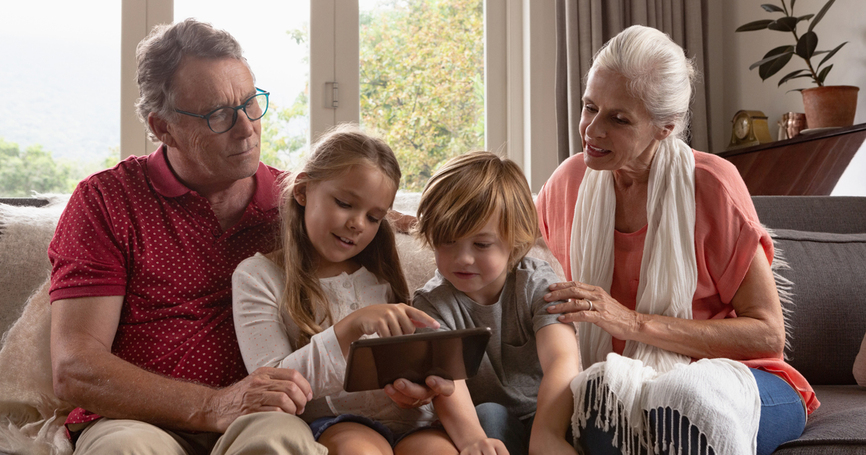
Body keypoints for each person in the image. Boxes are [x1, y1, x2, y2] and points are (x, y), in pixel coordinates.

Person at [536, 25, 819, 455]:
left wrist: (630, 322)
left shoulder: (711, 185)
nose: (591, 130)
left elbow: (767, 335)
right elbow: (505, 251)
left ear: (665, 127)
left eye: (618, 118)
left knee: (676, 408)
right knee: (600, 411)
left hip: (737, 378)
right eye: (589, 107)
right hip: (618, 382)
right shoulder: (568, 182)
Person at [48, 19, 327, 454]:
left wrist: (398, 218)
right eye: (219, 114)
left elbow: (362, 219)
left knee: (280, 441)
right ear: (163, 128)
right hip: (133, 422)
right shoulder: (106, 200)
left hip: (259, 418)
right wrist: (211, 405)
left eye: (252, 103)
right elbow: (75, 366)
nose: (247, 128)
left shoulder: (298, 203)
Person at [232, 125, 503, 455]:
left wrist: (424, 388)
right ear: (302, 191)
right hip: (341, 423)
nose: (358, 224)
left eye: (374, 217)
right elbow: (273, 387)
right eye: (345, 203)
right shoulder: (258, 276)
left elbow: (425, 360)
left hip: (416, 421)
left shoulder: (382, 274)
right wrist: (350, 328)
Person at [412, 151, 581, 455]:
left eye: (481, 244)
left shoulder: (536, 282)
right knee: (489, 412)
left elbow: (562, 358)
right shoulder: (431, 306)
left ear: (514, 241)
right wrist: (473, 441)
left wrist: (548, 434)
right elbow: (446, 383)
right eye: (447, 241)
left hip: (550, 415)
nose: (463, 258)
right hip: (486, 426)